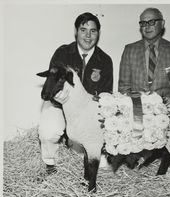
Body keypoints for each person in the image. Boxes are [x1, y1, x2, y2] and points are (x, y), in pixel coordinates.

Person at [118, 7, 170, 170]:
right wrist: (134, 108)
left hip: (168, 101)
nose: (147, 26)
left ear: (162, 24)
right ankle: (145, 153)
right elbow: (123, 87)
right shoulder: (130, 50)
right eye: (143, 23)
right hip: (139, 103)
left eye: (152, 22)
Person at [38, 12, 113, 174]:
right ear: (76, 31)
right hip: (59, 105)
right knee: (49, 130)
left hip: (86, 115)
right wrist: (59, 98)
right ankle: (50, 163)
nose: (88, 35)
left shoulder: (105, 60)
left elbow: (106, 96)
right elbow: (51, 84)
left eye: (93, 31)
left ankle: (77, 146)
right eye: (83, 30)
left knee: (93, 159)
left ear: (98, 33)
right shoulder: (63, 53)